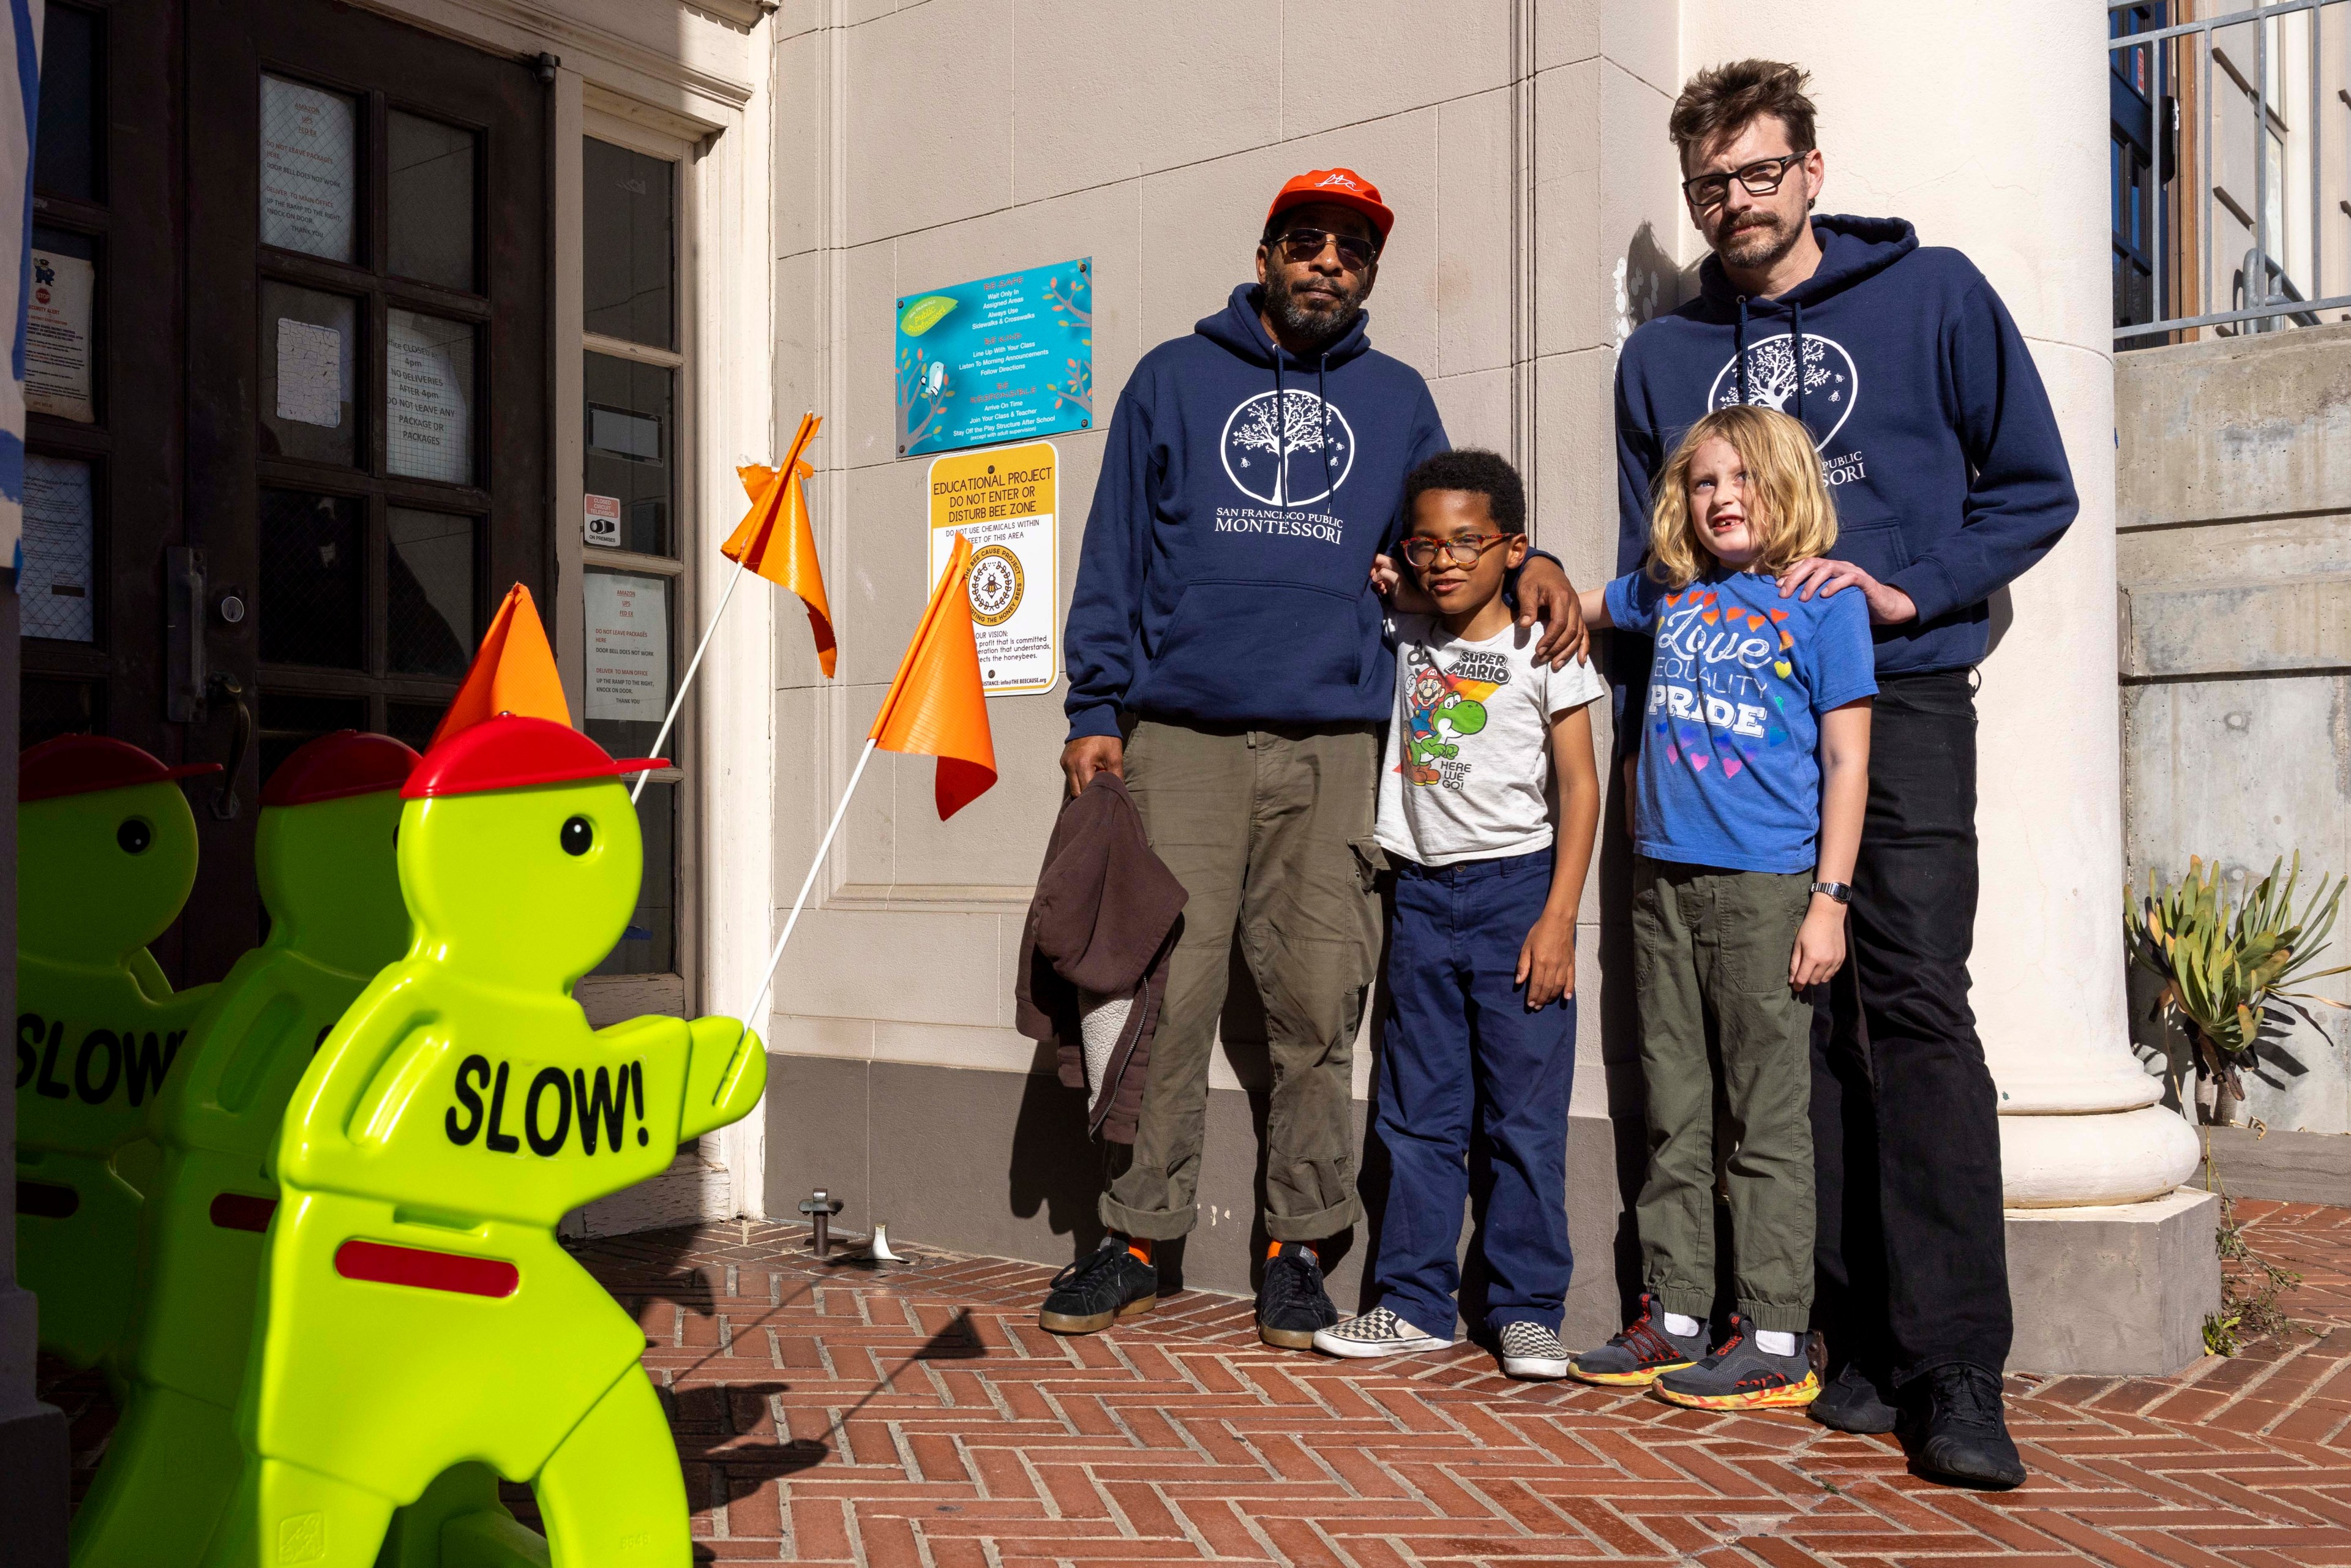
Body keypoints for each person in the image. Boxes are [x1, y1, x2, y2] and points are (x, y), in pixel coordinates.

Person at [1612, 60, 2077, 1482]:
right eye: (1710, 187)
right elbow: (1661, 558)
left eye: (1759, 174)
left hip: (1905, 702)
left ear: (1811, 169)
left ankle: (1950, 1368)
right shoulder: (1664, 360)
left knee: (1915, 1010)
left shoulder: (1934, 299)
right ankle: (1838, 1334)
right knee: (1787, 1033)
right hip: (1732, 745)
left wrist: (1908, 588)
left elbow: (2037, 488)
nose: (1736, 204)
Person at [1044, 168, 1589, 1348]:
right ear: (1267, 254)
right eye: (1307, 242)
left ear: (1370, 272)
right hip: (1179, 734)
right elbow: (1115, 553)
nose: (1328, 262)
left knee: (1316, 1003)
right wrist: (1094, 706)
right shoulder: (1170, 382)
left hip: (1344, 739)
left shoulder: (1396, 400)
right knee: (1162, 995)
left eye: (1351, 248)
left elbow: (1459, 525)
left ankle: (1300, 1249)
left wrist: (1534, 559)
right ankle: (1137, 1235)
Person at [1569, 406, 1871, 1409]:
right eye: (1703, 483)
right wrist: (1518, 577)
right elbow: (1578, 607)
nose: (1722, 497)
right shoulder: (1670, 592)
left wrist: (1829, 900)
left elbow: (1846, 757)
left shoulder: (1821, 602)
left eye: (1742, 477)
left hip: (1767, 890)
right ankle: (1679, 1314)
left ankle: (1779, 1334)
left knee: (1768, 1121)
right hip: (1660, 882)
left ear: (1786, 483)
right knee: (1675, 1109)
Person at [1307, 449, 1602, 1381]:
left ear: (1513, 549)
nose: (1444, 561)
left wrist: (1559, 920)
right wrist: (1394, 578)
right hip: (1423, 898)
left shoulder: (1543, 643)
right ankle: (1411, 1302)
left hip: (1518, 895)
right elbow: (1385, 578)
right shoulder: (1403, 628)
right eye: (1425, 544)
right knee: (1417, 1115)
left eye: (1468, 544)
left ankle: (1525, 1312)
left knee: (1524, 1118)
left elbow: (1582, 788)